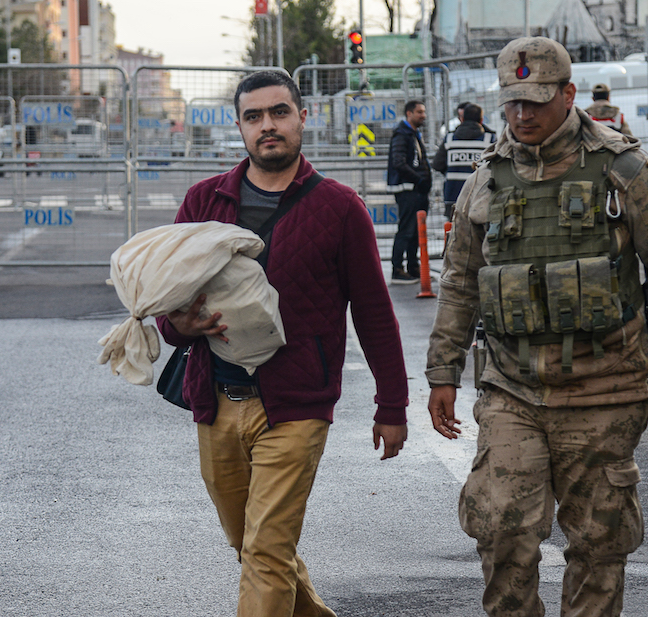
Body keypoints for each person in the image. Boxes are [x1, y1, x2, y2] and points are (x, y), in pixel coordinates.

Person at [426, 37, 648, 617]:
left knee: (599, 544)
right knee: (502, 530)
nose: (522, 114)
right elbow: (460, 282)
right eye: (512, 103)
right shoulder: (486, 179)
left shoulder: (624, 171)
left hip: (606, 390)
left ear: (568, 94)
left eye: (535, 100)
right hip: (512, 390)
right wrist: (442, 370)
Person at [156, 70, 409, 617]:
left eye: (278, 113)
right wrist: (183, 328)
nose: (267, 126)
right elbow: (167, 303)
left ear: (301, 117)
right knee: (248, 543)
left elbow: (374, 314)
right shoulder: (205, 199)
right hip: (216, 403)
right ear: (240, 128)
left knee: (266, 550)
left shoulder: (340, 208)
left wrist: (393, 405)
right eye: (254, 117)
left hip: (296, 406)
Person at [386, 99, 431, 284]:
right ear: (409, 114)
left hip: (416, 189)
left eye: (424, 111)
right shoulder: (402, 134)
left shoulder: (413, 134)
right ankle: (397, 269)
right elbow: (399, 163)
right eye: (419, 112)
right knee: (406, 230)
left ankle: (413, 267)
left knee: (415, 231)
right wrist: (418, 179)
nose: (423, 115)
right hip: (408, 190)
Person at [432, 103, 495, 220]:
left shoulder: (449, 139)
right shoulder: (489, 140)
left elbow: (437, 165)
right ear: (481, 120)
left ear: (462, 119)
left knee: (454, 234)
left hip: (453, 197)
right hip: (480, 197)